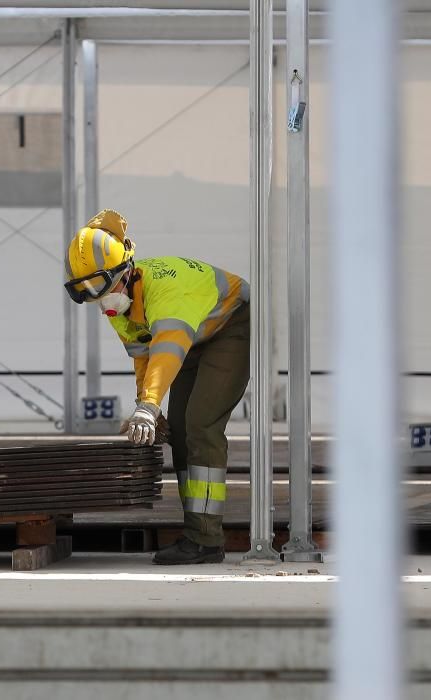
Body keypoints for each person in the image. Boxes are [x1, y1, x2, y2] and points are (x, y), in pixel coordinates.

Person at [64, 209, 250, 565]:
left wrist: (148, 405)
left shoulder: (166, 292)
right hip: (194, 340)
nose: (101, 301)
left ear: (127, 271)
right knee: (179, 431)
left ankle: (206, 539)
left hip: (229, 324)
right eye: (89, 293)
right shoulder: (120, 306)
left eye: (102, 288)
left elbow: (168, 348)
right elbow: (143, 354)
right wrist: (147, 406)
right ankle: (197, 533)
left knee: (200, 425)